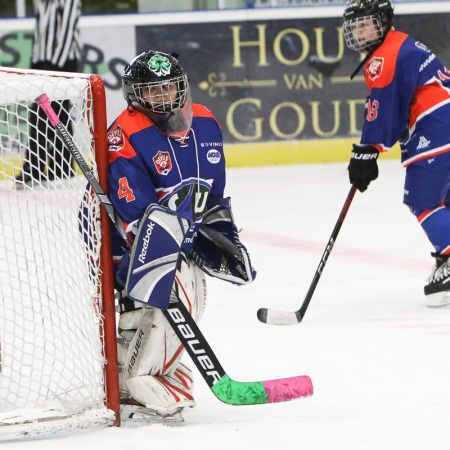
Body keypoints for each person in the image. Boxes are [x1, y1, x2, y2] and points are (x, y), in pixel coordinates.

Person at [107, 50, 256, 421]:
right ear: (135, 96)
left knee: (194, 295)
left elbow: (213, 195)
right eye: (153, 91)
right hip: (122, 243)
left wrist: (222, 234)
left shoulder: (204, 122)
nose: (164, 97)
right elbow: (135, 214)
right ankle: (134, 376)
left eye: (170, 87)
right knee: (168, 291)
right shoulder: (124, 134)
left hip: (177, 242)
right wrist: (158, 255)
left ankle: (163, 368)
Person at [342, 0, 450, 307]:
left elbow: (386, 111)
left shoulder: (386, 56)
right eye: (355, 26)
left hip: (438, 129)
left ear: (383, 21)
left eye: (365, 24)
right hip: (443, 124)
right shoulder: (397, 46)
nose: (359, 32)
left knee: (423, 199)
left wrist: (367, 152)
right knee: (445, 201)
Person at [15, 0, 82, 187]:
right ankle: (46, 166)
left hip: (60, 62)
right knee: (40, 115)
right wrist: (36, 61)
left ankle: (55, 166)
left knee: (57, 113)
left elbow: (68, 32)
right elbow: (42, 31)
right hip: (44, 61)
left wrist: (53, 68)